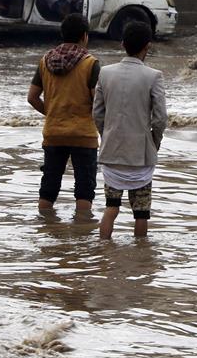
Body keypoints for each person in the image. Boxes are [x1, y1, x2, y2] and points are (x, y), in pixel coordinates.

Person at [93, 22, 168, 239]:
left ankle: (103, 251)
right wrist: (154, 142)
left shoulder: (105, 73)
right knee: (141, 213)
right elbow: (160, 118)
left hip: (112, 151)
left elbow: (97, 113)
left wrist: (105, 135)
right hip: (141, 154)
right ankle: (141, 256)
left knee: (111, 207)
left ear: (123, 44)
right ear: (148, 46)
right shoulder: (154, 75)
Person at [27, 13, 101, 218]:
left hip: (53, 133)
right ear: (84, 36)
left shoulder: (45, 61)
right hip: (83, 135)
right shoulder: (90, 63)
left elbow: (32, 97)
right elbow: (97, 102)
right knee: (84, 189)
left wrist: (51, 112)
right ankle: (82, 234)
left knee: (49, 186)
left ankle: (45, 228)